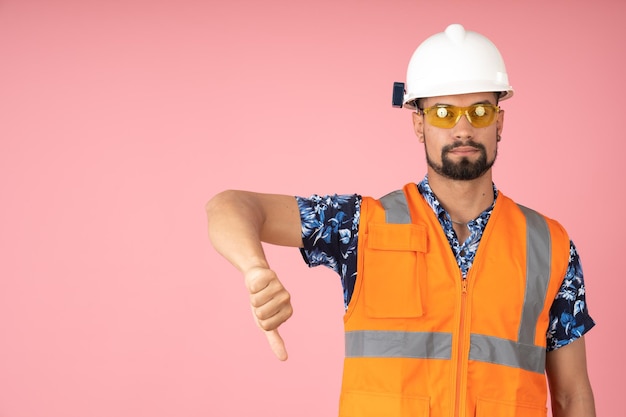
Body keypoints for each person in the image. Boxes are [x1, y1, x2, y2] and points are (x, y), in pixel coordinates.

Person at [206, 23, 596, 417]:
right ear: (418, 123)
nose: (463, 129)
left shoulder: (550, 244)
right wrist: (254, 269)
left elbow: (571, 396)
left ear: (499, 122)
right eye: (443, 113)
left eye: (480, 111)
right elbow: (230, 206)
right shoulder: (359, 226)